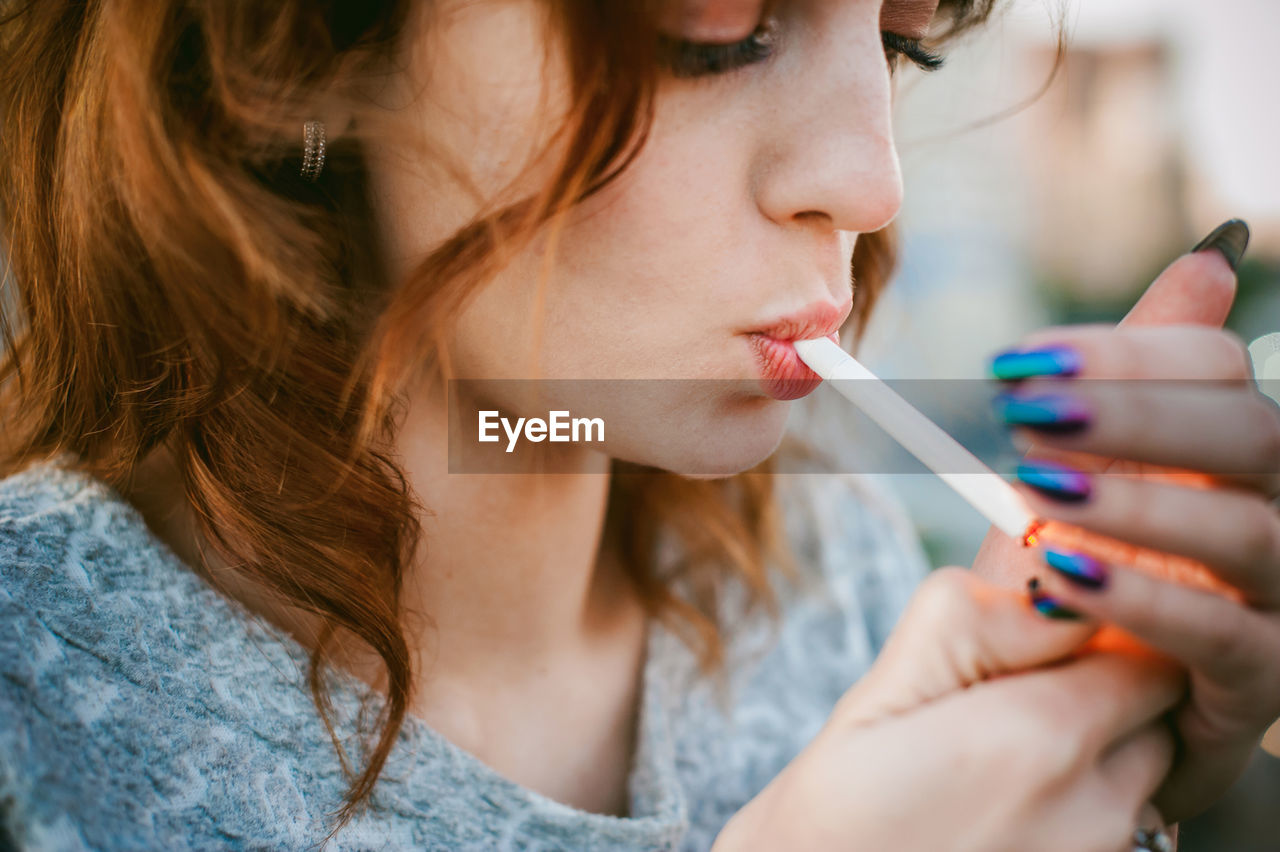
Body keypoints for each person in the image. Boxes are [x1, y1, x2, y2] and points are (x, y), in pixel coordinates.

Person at [0, 0, 1277, 849]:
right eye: (713, 33)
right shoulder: (41, 712)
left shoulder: (827, 572)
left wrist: (1175, 788)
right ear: (297, 59)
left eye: (900, 43)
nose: (868, 180)